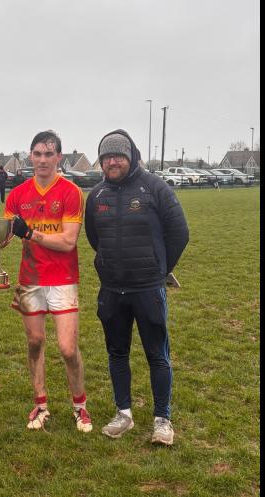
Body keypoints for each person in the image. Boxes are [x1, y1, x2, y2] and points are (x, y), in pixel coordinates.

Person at [84, 129, 189, 446]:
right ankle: (124, 414)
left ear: (131, 157)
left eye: (118, 155)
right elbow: (93, 237)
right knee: (117, 353)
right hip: (113, 290)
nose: (112, 161)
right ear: (101, 162)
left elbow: (179, 232)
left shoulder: (155, 187)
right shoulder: (97, 195)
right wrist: (108, 263)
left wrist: (161, 269)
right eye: (106, 157)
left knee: (157, 354)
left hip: (147, 288)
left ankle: (162, 420)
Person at [4, 130, 93, 433]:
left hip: (62, 279)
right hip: (30, 279)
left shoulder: (70, 192)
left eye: (49, 154)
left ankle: (80, 406)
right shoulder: (17, 195)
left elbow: (68, 242)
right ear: (30, 156)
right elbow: (3, 237)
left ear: (58, 157)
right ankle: (41, 404)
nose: (42, 159)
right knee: (34, 343)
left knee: (68, 348)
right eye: (37, 153)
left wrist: (29, 233)